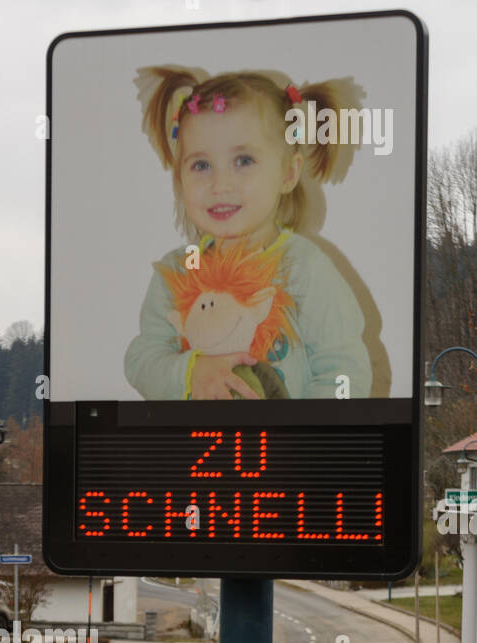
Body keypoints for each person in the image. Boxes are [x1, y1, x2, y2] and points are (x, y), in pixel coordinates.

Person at [124, 66, 375, 401]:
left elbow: (344, 371)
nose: (220, 184)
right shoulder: (176, 272)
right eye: (201, 165)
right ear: (180, 178)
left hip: (286, 449)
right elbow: (142, 360)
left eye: (243, 160)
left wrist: (305, 441)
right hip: (198, 450)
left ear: (288, 172)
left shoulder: (305, 267)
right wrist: (189, 371)